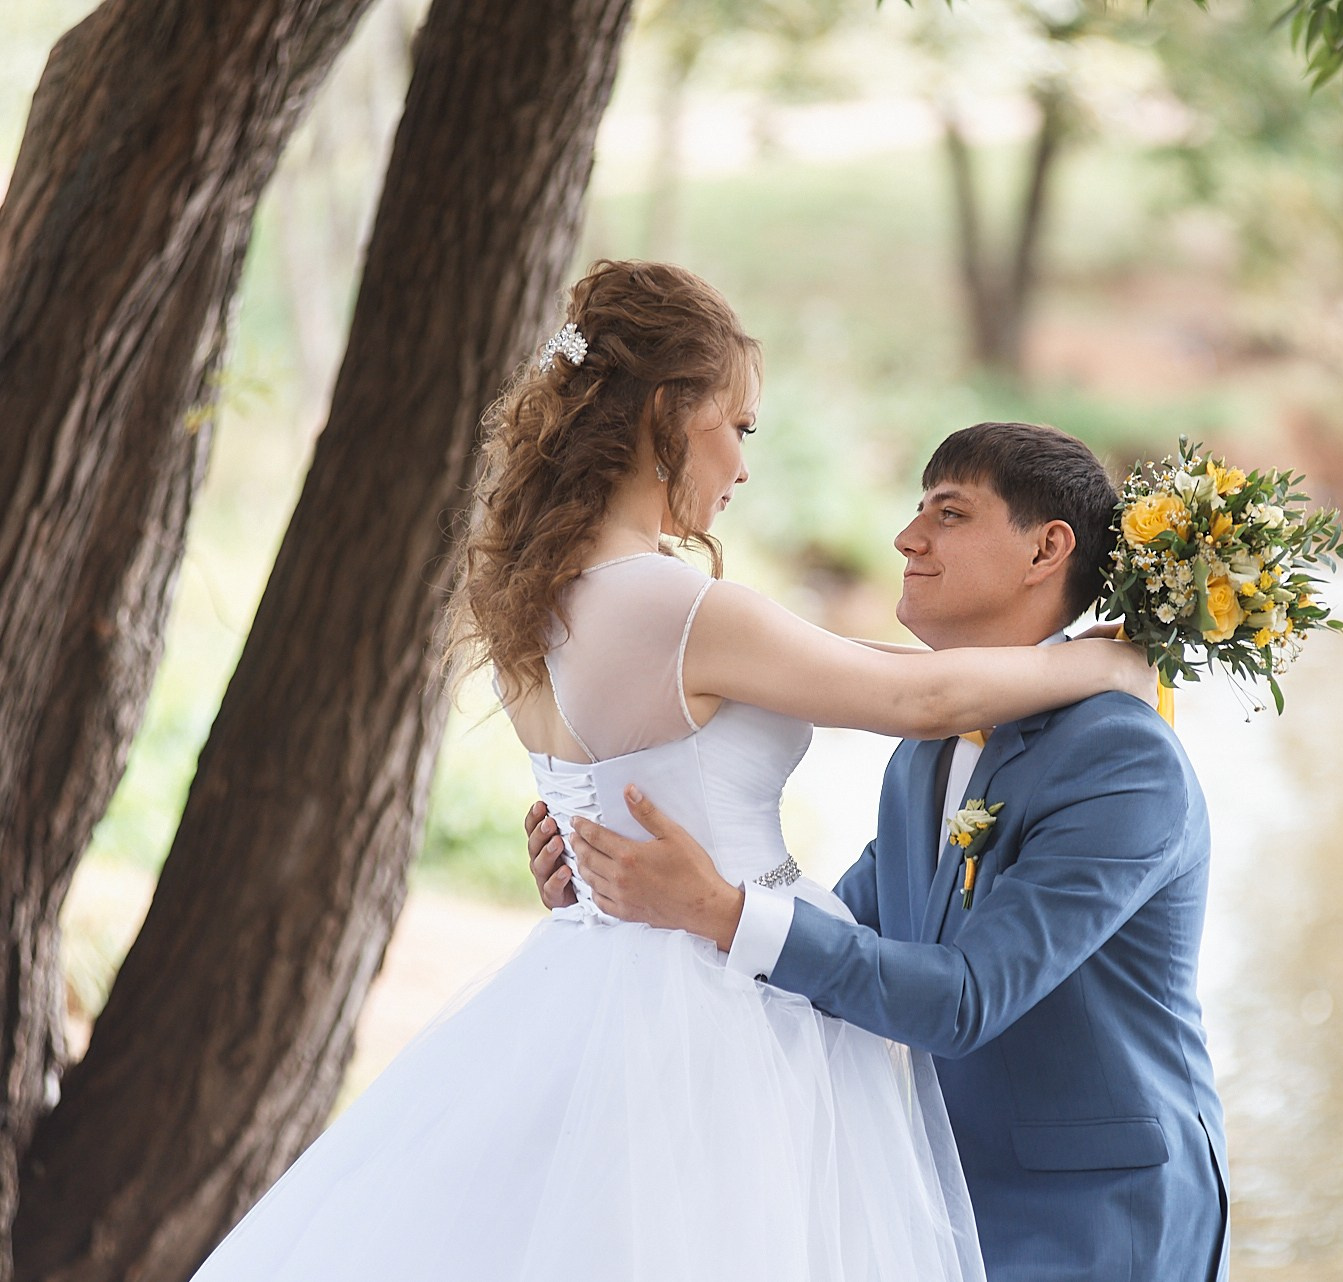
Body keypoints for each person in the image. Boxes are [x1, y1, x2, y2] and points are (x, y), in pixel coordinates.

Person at [185, 262, 1151, 1282]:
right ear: (664, 412)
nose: (741, 464)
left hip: (602, 971)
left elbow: (604, 785)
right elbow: (920, 699)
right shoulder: (673, 607)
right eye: (736, 425)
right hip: (720, 1001)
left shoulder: (529, 591)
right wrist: (1114, 658)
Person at [528, 421, 1231, 1281]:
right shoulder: (924, 752)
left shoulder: (1119, 757)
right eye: (916, 509)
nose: (907, 537)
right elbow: (845, 945)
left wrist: (719, 909)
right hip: (948, 1197)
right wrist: (628, 879)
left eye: (949, 512)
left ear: (1047, 550)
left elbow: (964, 999)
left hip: (1102, 1213)